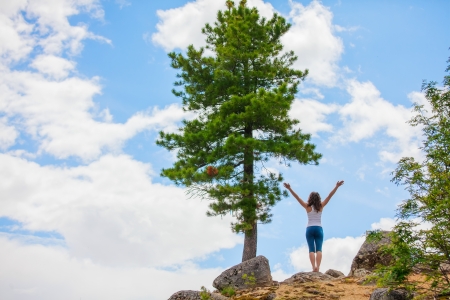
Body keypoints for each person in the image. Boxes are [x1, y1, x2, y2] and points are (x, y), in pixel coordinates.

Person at [283, 180, 344, 272]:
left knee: (311, 249)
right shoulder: (321, 206)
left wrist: (289, 188)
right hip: (319, 228)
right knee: (319, 249)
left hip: (309, 229)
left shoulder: (307, 207)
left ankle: (313, 267)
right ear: (318, 199)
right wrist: (337, 186)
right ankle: (318, 268)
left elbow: (297, 197)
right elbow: (329, 196)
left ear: (310, 198)